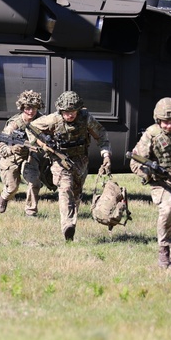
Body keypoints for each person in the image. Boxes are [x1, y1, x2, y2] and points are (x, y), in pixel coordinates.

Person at [28, 91, 111, 241]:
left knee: (76, 193)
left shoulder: (86, 119)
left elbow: (102, 135)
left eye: (72, 112)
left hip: (80, 161)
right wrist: (43, 145)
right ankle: (67, 225)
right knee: (65, 189)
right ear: (60, 111)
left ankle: (72, 222)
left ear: (78, 109)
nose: (69, 115)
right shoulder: (53, 119)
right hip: (60, 161)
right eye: (66, 112)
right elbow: (31, 128)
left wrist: (106, 155)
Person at [129, 97, 171, 269]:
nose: (169, 126)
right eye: (165, 122)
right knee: (168, 209)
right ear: (158, 120)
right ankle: (164, 254)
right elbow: (135, 162)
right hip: (162, 183)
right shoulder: (151, 135)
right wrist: (148, 173)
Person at [0, 90, 47, 216]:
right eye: (28, 108)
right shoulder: (15, 124)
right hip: (12, 155)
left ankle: (31, 211)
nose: (31, 112)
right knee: (12, 187)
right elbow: (0, 142)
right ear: (22, 108)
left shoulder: (42, 120)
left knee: (34, 182)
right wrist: (11, 149)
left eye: (34, 108)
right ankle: (4, 197)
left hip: (30, 155)